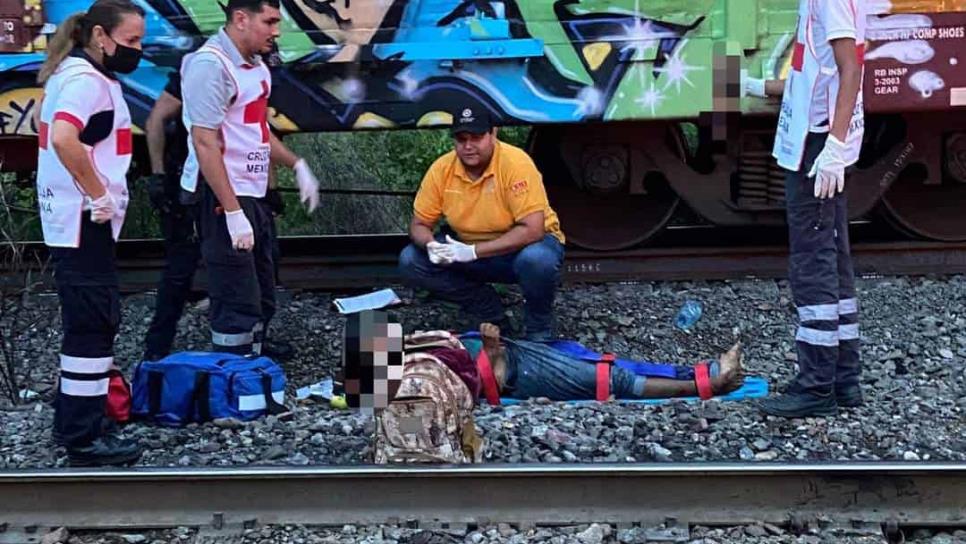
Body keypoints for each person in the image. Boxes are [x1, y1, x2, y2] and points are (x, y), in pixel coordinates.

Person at [35, 0, 146, 466]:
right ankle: (82, 437)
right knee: (93, 326)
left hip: (77, 221)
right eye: (132, 40)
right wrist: (99, 193)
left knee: (92, 323)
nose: (138, 49)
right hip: (83, 221)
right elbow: (65, 139)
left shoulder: (78, 75)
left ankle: (79, 419)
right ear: (101, 36)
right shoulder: (85, 82)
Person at [179, 0, 321, 356]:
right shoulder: (212, 66)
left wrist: (296, 164)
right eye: (270, 21)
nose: (277, 31)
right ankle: (234, 370)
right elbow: (205, 142)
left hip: (251, 189)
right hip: (223, 192)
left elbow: (256, 129)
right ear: (241, 19)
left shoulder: (255, 66)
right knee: (235, 289)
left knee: (261, 282)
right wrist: (231, 212)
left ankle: (254, 354)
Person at [760, 0, 866, 417]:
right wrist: (757, 87)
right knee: (833, 261)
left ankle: (816, 385)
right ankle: (844, 380)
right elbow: (817, 71)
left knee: (813, 263)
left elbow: (850, 68)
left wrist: (835, 147)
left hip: (817, 145)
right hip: (819, 141)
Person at [140, 69, 291, 361]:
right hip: (192, 184)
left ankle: (255, 344)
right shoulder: (201, 72)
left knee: (262, 265)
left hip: (240, 187)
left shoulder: (252, 75)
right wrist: (158, 175)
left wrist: (269, 189)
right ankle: (157, 348)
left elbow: (255, 138)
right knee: (181, 269)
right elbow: (156, 120)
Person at [398, 106, 566, 341]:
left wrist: (474, 252)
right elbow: (419, 224)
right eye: (461, 139)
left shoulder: (515, 163)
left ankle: (538, 329)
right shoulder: (442, 169)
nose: (468, 146)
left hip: (520, 250)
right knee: (410, 260)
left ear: (493, 133)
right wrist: (430, 245)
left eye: (476, 137)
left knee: (538, 261)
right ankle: (489, 310)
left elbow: (533, 229)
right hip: (466, 249)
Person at [463, 323, 744, 403]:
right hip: (516, 371)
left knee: (611, 365)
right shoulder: (422, 384)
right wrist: (490, 354)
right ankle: (710, 386)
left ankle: (707, 372)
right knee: (610, 379)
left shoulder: (424, 347)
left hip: (514, 353)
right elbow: (483, 387)